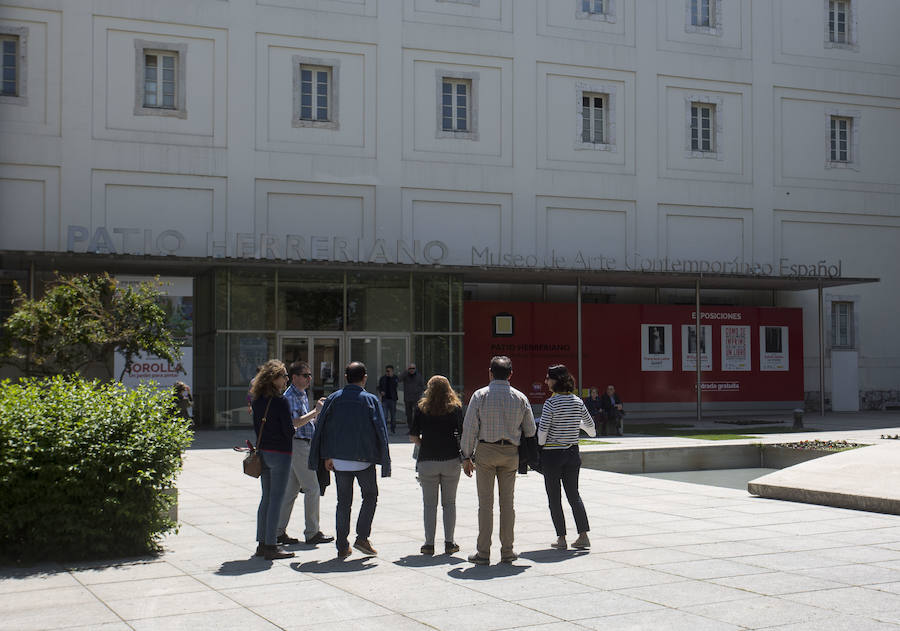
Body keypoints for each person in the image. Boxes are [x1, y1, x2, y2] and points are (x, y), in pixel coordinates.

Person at [309, 361, 391, 559]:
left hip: (339, 459)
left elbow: (322, 428)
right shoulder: (370, 400)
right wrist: (383, 458)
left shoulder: (333, 399)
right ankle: (362, 537)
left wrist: (326, 455)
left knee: (343, 502)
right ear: (365, 378)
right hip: (364, 458)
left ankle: (342, 545)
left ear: (345, 378)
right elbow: (380, 429)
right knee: (370, 496)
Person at [460, 356, 536, 565]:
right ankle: (507, 551)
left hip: (486, 450)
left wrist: (466, 456)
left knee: (485, 504)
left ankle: (483, 552)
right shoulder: (520, 397)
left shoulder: (480, 395)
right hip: (510, 452)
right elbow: (531, 430)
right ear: (511, 374)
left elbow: (469, 428)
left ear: (490, 373)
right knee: (507, 504)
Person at [275, 361, 333, 546]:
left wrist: (316, 417)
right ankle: (312, 532)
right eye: (305, 375)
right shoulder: (290, 396)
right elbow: (294, 422)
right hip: (298, 445)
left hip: (301, 445)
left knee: (290, 491)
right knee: (312, 488)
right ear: (294, 377)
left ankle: (278, 531)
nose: (309, 378)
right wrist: (315, 412)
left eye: (310, 375)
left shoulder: (300, 394)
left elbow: (304, 422)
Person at [539, 364, 596, 550]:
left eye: (548, 378)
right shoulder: (578, 402)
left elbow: (542, 435)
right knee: (574, 495)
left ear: (556, 381)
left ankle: (561, 538)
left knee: (554, 497)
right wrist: (574, 424)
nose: (546, 381)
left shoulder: (550, 403)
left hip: (552, 455)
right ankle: (583, 536)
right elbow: (592, 430)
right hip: (572, 453)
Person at [409, 375, 463, 556]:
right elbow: (462, 433)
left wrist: (424, 444)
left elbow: (413, 436)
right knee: (450, 503)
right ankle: (449, 542)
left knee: (429, 505)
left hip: (427, 460)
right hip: (451, 459)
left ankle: (429, 544)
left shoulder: (421, 408)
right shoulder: (455, 408)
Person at [250, 360, 296, 560]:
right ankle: (271, 544)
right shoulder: (281, 401)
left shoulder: (257, 400)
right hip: (281, 453)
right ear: (274, 378)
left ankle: (262, 543)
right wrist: (293, 429)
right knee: (277, 499)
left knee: (266, 498)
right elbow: (288, 430)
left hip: (263, 452)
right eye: (284, 376)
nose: (286, 380)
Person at [401, 363, 425, 430]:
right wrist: (405, 372)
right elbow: (399, 379)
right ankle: (410, 428)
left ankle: (416, 428)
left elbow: (422, 385)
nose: (411, 370)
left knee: (416, 413)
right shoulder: (405, 376)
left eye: (413, 368)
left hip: (416, 398)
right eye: (410, 368)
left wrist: (419, 393)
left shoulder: (419, 376)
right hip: (407, 398)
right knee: (408, 414)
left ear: (415, 369)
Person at [378, 365, 400, 434]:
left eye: (389, 371)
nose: (388, 372)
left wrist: (391, 377)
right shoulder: (383, 378)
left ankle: (393, 429)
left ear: (392, 371)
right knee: (385, 416)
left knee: (393, 415)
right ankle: (384, 429)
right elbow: (379, 387)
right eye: (387, 371)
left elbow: (395, 385)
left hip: (393, 399)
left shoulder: (395, 378)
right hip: (385, 399)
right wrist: (381, 391)